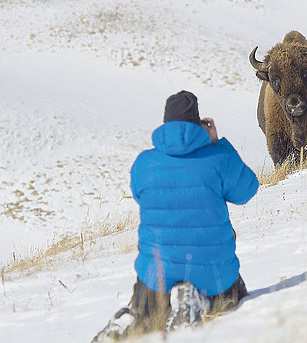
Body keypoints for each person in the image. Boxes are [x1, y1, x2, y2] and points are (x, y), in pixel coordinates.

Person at [92, 90, 259, 342]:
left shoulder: (144, 163)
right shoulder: (218, 158)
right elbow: (247, 190)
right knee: (231, 296)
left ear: (165, 123)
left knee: (146, 306)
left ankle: (133, 315)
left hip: (155, 276)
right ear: (200, 124)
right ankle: (198, 302)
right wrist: (218, 143)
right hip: (213, 274)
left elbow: (140, 197)